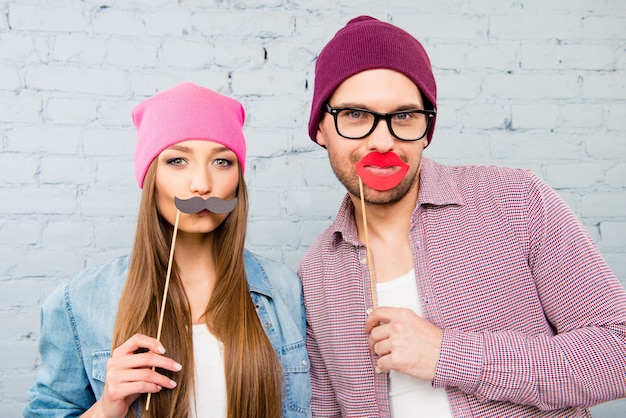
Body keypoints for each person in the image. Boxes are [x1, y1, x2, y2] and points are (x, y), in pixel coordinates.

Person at [298, 15, 626, 417]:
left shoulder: (516, 201)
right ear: (320, 128)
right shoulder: (314, 274)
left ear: (426, 128)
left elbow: (619, 351)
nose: (382, 141)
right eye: (355, 115)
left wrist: (445, 354)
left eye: (403, 116)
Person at [24, 82, 311, 418]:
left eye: (222, 162)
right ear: (150, 179)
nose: (202, 184)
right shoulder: (78, 302)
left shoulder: (284, 289)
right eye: (177, 161)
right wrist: (108, 407)